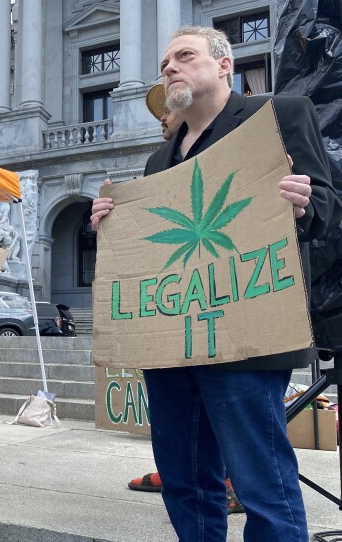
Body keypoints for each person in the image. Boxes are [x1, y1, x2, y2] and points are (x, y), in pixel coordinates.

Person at [91, 26, 342, 541]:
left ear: (225, 64)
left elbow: (326, 208)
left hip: (247, 335)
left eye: (184, 56)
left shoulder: (280, 115)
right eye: (165, 64)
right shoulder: (157, 161)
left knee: (261, 481)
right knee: (184, 481)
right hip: (172, 343)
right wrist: (111, 221)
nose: (170, 69)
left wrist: (304, 202)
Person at [131, 84, 243, 515]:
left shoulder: (239, 137)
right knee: (187, 466)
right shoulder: (157, 163)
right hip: (176, 329)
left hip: (231, 322)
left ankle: (232, 484)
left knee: (253, 460)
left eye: (168, 112)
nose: (162, 118)